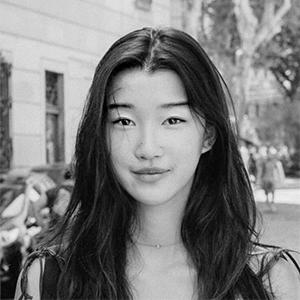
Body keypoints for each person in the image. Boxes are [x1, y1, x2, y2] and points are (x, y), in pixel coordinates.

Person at [15, 27, 300, 300]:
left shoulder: (269, 280)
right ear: (100, 134)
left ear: (208, 136)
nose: (147, 148)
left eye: (172, 120)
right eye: (124, 121)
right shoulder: (49, 279)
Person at [257, 147, 283, 212]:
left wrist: (280, 178)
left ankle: (272, 203)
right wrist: (259, 179)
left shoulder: (274, 162)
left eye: (271, 154)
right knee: (267, 192)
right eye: (269, 154)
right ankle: (268, 202)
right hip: (265, 179)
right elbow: (261, 171)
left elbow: (278, 170)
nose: (270, 155)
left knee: (273, 191)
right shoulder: (264, 162)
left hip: (272, 179)